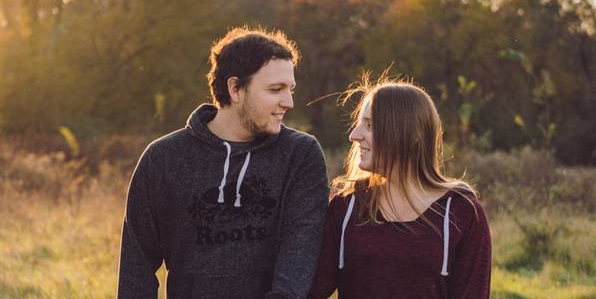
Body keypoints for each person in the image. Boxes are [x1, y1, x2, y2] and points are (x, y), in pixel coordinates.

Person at [117, 27, 329, 299]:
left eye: (291, 89)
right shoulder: (163, 159)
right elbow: (137, 266)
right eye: (276, 89)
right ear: (235, 88)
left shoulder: (300, 154)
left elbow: (300, 252)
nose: (288, 101)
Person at [308, 78, 492, 299]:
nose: (354, 135)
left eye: (369, 125)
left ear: (408, 133)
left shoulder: (461, 212)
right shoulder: (347, 207)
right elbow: (308, 289)